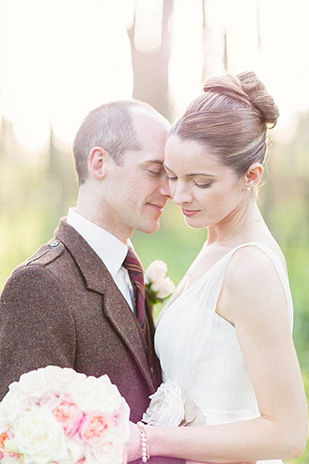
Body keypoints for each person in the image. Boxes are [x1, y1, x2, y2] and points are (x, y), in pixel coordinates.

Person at [127, 72, 308, 464]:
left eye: (201, 182)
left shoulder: (249, 269)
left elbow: (288, 433)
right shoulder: (216, 241)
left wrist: (149, 440)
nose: (178, 195)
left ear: (251, 176)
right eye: (172, 176)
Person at [0, 100, 183, 464]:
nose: (170, 190)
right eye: (154, 171)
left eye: (171, 174)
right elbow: (24, 444)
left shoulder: (129, 270)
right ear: (99, 163)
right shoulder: (40, 285)